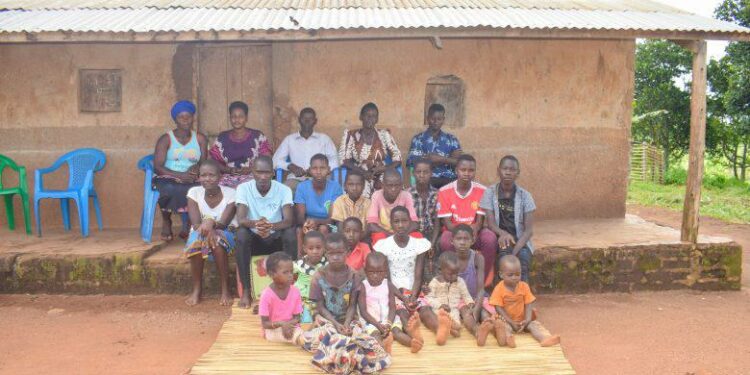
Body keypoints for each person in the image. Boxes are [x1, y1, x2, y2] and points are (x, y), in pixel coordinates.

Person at [235, 156, 296, 309]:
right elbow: (241, 219)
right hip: (254, 238)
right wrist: (258, 224)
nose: (263, 177)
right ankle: (247, 291)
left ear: (273, 173)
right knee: (241, 234)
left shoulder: (283, 190)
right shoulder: (244, 189)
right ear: (252, 172)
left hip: (275, 239)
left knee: (290, 233)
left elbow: (288, 220)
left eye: (267, 172)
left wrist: (270, 227)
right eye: (259, 172)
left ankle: (291, 287)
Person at [373, 206, 430, 353]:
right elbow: (388, 278)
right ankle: (413, 333)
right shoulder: (384, 246)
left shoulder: (418, 244)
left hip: (414, 290)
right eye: (396, 221)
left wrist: (413, 295)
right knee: (402, 313)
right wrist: (403, 299)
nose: (400, 225)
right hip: (395, 291)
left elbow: (418, 275)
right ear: (391, 223)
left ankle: (441, 327)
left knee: (426, 310)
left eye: (404, 221)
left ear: (410, 222)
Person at [437, 154, 498, 284]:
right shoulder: (444, 191)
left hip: (474, 232)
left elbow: (480, 221)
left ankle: (482, 281)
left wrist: (473, 232)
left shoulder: (482, 190)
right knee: (445, 240)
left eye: (471, 170)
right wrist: (462, 235)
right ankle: (454, 279)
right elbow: (447, 223)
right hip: (454, 232)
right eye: (463, 170)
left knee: (490, 238)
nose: (467, 173)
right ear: (456, 171)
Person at [153, 100, 208, 241]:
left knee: (199, 188)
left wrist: (196, 168)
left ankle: (189, 223)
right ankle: (167, 220)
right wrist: (180, 175)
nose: (185, 120)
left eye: (188, 116)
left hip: (192, 176)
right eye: (181, 117)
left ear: (193, 118)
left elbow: (204, 161)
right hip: (168, 175)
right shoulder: (165, 139)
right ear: (175, 120)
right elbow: (158, 166)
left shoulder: (200, 138)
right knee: (169, 188)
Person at [184, 160, 236, 307]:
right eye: (203, 175)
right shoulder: (194, 192)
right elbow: (195, 223)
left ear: (220, 176)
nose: (207, 179)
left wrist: (211, 223)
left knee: (217, 243)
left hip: (225, 231)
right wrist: (207, 227)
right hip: (199, 231)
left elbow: (224, 222)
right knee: (197, 244)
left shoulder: (231, 193)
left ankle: (225, 289)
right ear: (199, 177)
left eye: (211, 175)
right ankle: (197, 289)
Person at [481, 155, 536, 283]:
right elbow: (490, 223)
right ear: (498, 170)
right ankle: (502, 299)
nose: (508, 172)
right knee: (503, 262)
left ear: (518, 173)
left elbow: (528, 231)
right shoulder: (489, 192)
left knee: (522, 262)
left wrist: (515, 251)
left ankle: (522, 298)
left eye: (512, 169)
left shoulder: (525, 196)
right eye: (505, 168)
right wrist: (503, 234)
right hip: (500, 238)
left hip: (520, 240)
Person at [489, 255, 560, 348]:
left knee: (533, 326)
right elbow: (498, 308)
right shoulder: (499, 288)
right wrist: (511, 322)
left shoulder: (524, 286)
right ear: (501, 274)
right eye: (510, 275)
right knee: (505, 328)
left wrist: (527, 319)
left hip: (522, 320)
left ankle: (543, 339)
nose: (514, 277)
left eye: (518, 274)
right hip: (507, 320)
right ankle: (508, 339)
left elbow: (528, 304)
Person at [339, 102, 402, 198]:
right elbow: (343, 161)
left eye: (374, 116)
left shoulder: (384, 135)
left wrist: (384, 169)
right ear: (361, 117)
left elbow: (398, 159)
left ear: (377, 119)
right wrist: (363, 173)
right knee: (360, 192)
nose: (370, 119)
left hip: (382, 173)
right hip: (359, 173)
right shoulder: (350, 135)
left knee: (391, 191)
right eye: (367, 116)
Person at [273, 107, 339, 192]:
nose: (307, 121)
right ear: (299, 120)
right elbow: (275, 160)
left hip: (321, 179)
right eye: (304, 118)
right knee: (285, 190)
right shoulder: (289, 140)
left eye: (310, 119)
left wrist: (319, 169)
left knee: (329, 190)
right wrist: (289, 166)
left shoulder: (324, 139)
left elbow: (335, 160)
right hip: (296, 179)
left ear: (315, 121)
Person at [208, 101, 272, 188]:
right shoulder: (222, 138)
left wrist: (250, 169)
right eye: (234, 116)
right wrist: (228, 170)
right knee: (215, 187)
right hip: (227, 177)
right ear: (230, 118)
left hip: (253, 177)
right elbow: (212, 161)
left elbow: (267, 158)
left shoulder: (257, 136)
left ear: (246, 118)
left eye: (241, 116)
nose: (237, 120)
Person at [421, 252, 479, 346]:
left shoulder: (460, 281)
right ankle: (446, 327)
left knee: (457, 324)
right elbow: (429, 298)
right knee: (436, 317)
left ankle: (474, 332)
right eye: (451, 274)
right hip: (438, 310)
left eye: (457, 273)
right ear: (440, 270)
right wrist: (440, 305)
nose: (455, 276)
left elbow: (466, 295)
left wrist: (470, 303)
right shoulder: (435, 282)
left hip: (453, 309)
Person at [452, 224, 496, 346]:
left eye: (466, 239)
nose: (462, 242)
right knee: (467, 315)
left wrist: (477, 306)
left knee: (486, 313)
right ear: (452, 241)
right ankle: (477, 332)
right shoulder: (450, 260)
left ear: (472, 241)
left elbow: (481, 289)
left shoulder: (478, 258)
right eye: (459, 239)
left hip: (477, 296)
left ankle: (500, 331)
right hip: (460, 299)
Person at [309, 233, 360, 335]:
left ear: (348, 252)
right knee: (319, 336)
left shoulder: (354, 276)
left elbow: (352, 305)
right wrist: (335, 324)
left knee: (357, 334)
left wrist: (346, 324)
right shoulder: (318, 276)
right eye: (331, 254)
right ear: (325, 253)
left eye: (340, 253)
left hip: (349, 319)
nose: (336, 257)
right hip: (326, 319)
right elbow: (320, 307)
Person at [293, 154, 343, 255]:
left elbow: (332, 218)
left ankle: (324, 259)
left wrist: (317, 222)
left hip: (329, 224)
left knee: (323, 228)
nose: (319, 172)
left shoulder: (335, 187)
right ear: (310, 170)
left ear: (328, 170)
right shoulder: (302, 187)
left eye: (322, 168)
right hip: (307, 224)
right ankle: (300, 260)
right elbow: (300, 217)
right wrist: (309, 224)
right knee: (299, 230)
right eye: (315, 168)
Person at [406, 104, 462, 188]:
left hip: (449, 181)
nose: (436, 122)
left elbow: (460, 163)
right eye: (433, 119)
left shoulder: (452, 139)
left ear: (443, 120)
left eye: (439, 119)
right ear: (427, 118)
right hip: (427, 180)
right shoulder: (418, 139)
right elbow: (411, 162)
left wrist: (441, 159)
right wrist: (431, 160)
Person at [357, 252, 401, 353]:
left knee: (397, 332)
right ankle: (383, 348)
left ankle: (413, 342)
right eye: (372, 272)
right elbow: (363, 312)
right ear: (365, 271)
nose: (375, 276)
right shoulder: (363, 286)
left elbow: (392, 307)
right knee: (375, 335)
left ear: (385, 272)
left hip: (388, 319)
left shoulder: (388, 284)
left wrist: (389, 323)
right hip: (371, 322)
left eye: (379, 272)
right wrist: (378, 325)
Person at [258, 251, 304, 344]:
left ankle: (308, 340)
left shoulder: (295, 291)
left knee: (299, 333)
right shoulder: (266, 294)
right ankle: (307, 341)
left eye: (291, 271)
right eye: (285, 272)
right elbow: (265, 324)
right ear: (272, 274)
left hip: (291, 327)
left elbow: (297, 318)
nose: (290, 275)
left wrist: (288, 325)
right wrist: (282, 324)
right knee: (300, 336)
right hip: (273, 330)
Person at [367, 169, 421, 245]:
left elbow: (415, 223)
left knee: (417, 236)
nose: (393, 189)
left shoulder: (406, 195)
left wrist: (401, 235)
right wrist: (392, 236)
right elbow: (371, 225)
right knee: (379, 238)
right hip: (384, 233)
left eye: (397, 185)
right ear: (383, 185)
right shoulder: (377, 196)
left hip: (403, 232)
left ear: (401, 185)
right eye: (390, 185)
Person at [293, 231, 328, 323]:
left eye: (318, 248)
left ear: (324, 248)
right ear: (304, 249)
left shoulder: (327, 264)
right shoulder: (299, 264)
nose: (315, 251)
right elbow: (288, 276)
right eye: (311, 248)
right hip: (301, 298)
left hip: (320, 300)